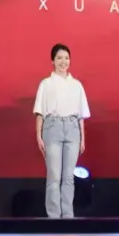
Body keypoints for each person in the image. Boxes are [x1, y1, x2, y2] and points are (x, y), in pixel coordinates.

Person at [33, 43, 90, 219]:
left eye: (66, 58)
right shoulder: (46, 84)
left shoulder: (77, 85)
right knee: (54, 176)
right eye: (59, 58)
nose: (63, 62)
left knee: (68, 177)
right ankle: (53, 217)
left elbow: (81, 116)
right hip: (52, 127)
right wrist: (38, 135)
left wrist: (82, 138)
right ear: (53, 61)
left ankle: (67, 216)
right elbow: (40, 112)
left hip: (72, 129)